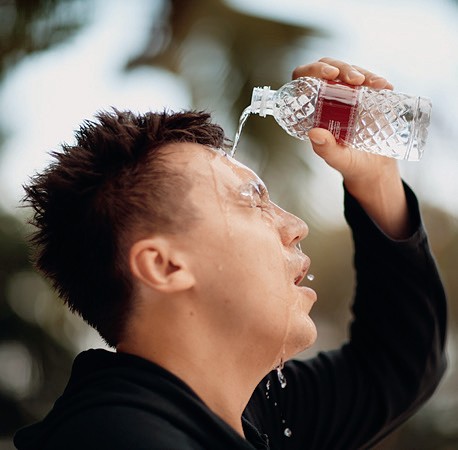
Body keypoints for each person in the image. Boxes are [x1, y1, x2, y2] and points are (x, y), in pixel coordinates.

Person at [14, 58, 447, 450]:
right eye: (253, 201)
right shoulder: (117, 439)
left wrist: (375, 179)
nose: (296, 226)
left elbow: (397, 365)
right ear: (164, 265)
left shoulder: (254, 415)